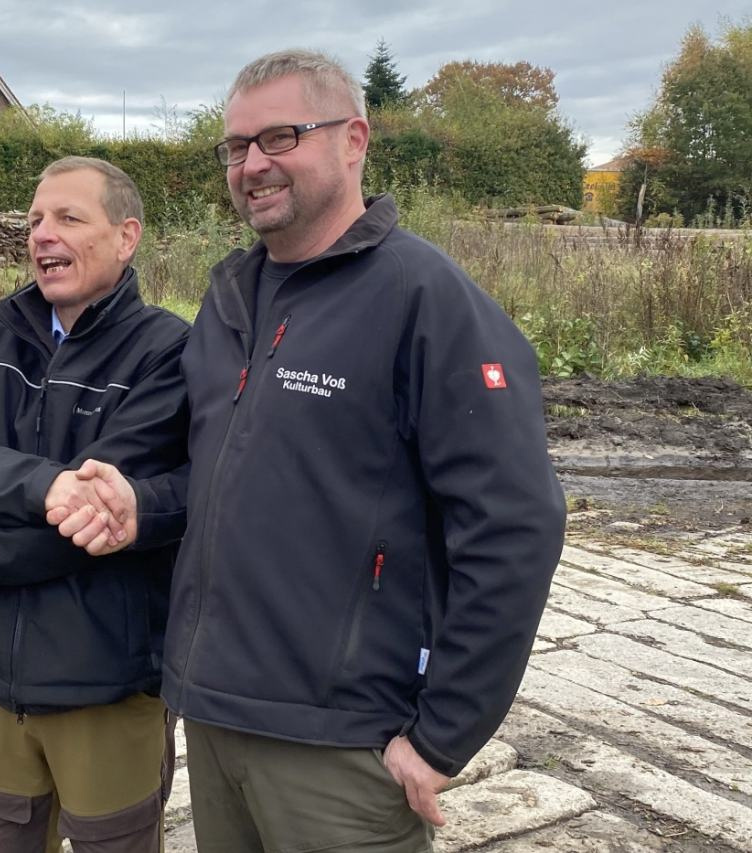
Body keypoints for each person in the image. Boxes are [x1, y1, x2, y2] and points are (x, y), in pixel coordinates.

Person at [50, 49, 566, 852]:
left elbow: (515, 524)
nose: (252, 164)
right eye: (236, 146)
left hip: (340, 746)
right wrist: (141, 506)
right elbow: (222, 475)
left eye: (280, 137)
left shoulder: (425, 300)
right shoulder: (230, 298)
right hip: (214, 717)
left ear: (353, 140)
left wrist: (444, 734)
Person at [0, 156, 190, 853]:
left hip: (108, 685)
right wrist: (46, 486)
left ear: (126, 237)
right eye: (36, 219)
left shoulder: (166, 351)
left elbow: (92, 524)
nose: (42, 234)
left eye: (68, 217)